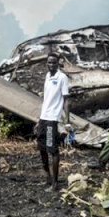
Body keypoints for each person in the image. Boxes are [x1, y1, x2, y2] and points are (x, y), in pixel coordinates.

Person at [35, 52, 70, 191]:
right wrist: (39, 119)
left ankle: (55, 184)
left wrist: (67, 121)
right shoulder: (47, 76)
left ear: (58, 63)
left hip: (52, 119)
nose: (51, 65)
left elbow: (66, 100)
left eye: (54, 62)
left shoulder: (62, 78)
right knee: (41, 148)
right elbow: (46, 100)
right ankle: (48, 177)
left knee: (53, 150)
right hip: (44, 118)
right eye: (49, 62)